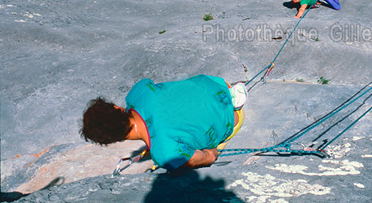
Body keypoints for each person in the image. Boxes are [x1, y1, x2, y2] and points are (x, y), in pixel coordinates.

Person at [81, 75, 248, 171]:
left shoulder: (166, 154)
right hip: (217, 84)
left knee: (202, 146)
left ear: (114, 140)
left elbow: (210, 157)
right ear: (117, 108)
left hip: (232, 118)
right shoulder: (137, 92)